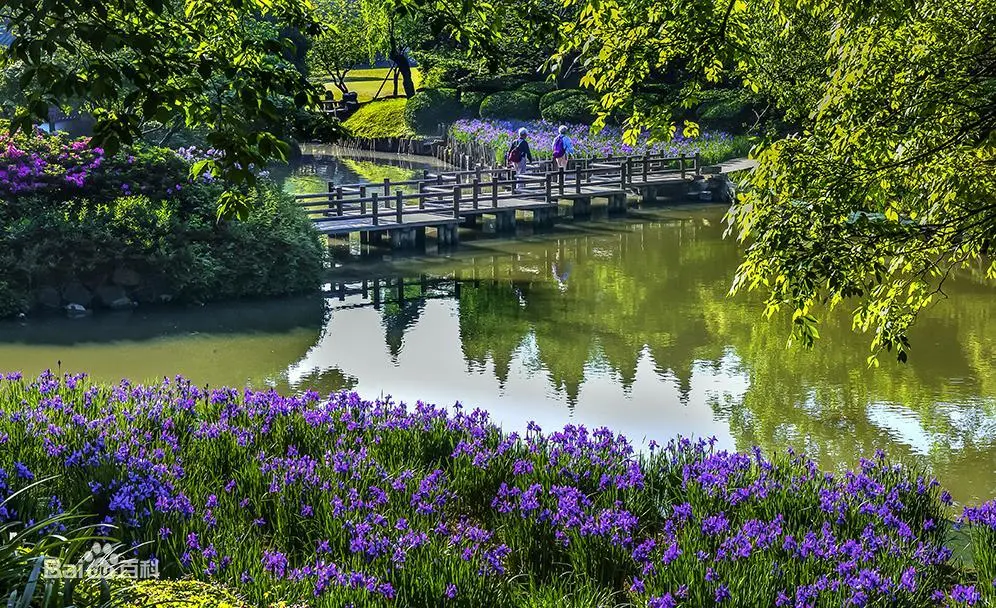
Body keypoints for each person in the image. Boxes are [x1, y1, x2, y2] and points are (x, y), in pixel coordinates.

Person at [506, 127, 533, 193]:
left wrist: (508, 160)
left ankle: (518, 187)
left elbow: (510, 151)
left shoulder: (514, 141)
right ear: (524, 135)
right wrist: (530, 160)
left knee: (517, 172)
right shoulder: (524, 142)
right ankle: (520, 188)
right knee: (521, 174)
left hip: (514, 160)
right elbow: (528, 152)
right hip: (521, 159)